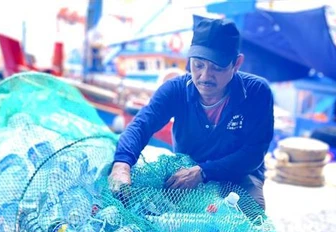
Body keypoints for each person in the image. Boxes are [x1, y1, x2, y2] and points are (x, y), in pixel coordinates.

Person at [108, 18, 274, 209]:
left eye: (217, 68)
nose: (205, 76)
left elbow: (253, 153)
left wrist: (203, 172)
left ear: (236, 64)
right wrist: (122, 164)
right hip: (185, 170)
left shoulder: (257, 92)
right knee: (154, 212)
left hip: (239, 174)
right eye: (198, 65)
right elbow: (141, 125)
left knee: (251, 217)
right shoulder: (175, 89)